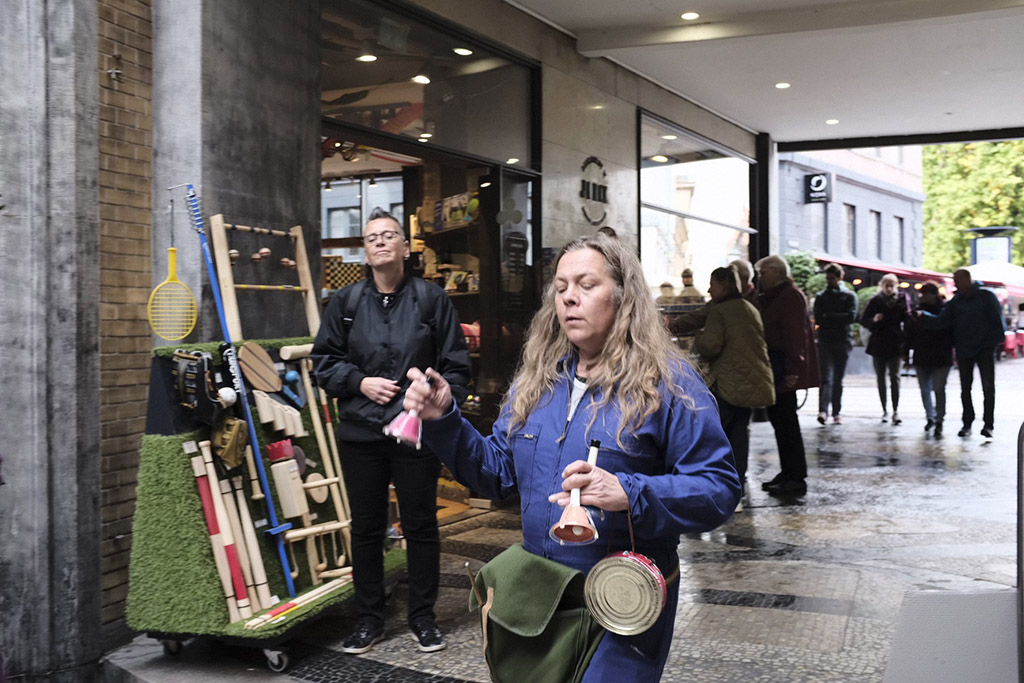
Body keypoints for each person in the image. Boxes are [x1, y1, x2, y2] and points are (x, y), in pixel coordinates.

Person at [403, 233, 740, 681]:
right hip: (543, 594)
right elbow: (499, 475)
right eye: (561, 288)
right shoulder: (538, 380)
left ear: (622, 296)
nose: (569, 299)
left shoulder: (670, 382)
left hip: (623, 594)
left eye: (586, 285)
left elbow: (718, 489)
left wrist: (629, 491)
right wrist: (444, 419)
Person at [311, 207, 472, 655]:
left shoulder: (432, 299)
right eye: (371, 238)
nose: (380, 242)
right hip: (361, 433)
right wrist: (358, 381)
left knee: (420, 525)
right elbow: (322, 362)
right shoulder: (344, 304)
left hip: (415, 432)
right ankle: (369, 619)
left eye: (389, 235)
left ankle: (423, 618)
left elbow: (457, 367)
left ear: (405, 246)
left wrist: (436, 396)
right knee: (365, 527)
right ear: (365, 251)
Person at [694, 266, 775, 510]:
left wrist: (698, 337)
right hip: (752, 382)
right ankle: (736, 486)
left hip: (729, 382)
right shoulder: (749, 307)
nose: (709, 289)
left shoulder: (721, 311)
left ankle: (717, 487)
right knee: (740, 436)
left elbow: (710, 346)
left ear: (724, 285)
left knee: (717, 437)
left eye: (713, 284)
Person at [754, 255, 818, 497]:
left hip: (783, 366)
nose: (761, 277)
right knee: (781, 422)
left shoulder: (789, 296)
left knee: (786, 423)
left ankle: (795, 475)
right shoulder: (777, 296)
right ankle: (788, 472)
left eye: (764, 272)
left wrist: (793, 370)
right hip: (778, 366)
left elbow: (794, 336)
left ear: (776, 272)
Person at [917, 268, 1005, 438]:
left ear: (967, 280)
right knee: (967, 388)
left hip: (982, 349)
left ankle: (987, 424)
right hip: (965, 349)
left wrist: (990, 345)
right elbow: (941, 321)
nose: (955, 284)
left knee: (986, 387)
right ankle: (968, 423)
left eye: (957, 281)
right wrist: (924, 316)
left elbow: (998, 324)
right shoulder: (957, 301)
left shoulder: (986, 297)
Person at [904, 281, 954, 437]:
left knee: (937, 388)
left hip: (938, 355)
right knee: (928, 389)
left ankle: (937, 418)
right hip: (927, 354)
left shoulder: (943, 311)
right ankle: (932, 417)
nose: (924, 297)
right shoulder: (920, 312)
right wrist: (906, 351)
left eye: (926, 294)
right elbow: (909, 334)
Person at [859, 274, 909, 424]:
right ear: (881, 285)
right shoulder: (875, 300)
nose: (888, 288)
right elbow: (863, 320)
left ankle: (895, 410)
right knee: (881, 378)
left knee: (895, 377)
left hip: (895, 343)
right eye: (886, 285)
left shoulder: (902, 299)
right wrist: (874, 320)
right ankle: (885, 410)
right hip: (879, 343)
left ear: (896, 286)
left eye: (891, 285)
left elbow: (907, 318)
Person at [812, 263, 858, 425]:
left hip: (839, 340)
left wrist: (828, 316)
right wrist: (837, 317)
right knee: (826, 378)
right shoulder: (824, 296)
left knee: (837, 379)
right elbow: (819, 317)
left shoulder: (847, 296)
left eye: (832, 278)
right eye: (828, 278)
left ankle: (835, 411)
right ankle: (824, 411)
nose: (829, 281)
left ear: (840, 278)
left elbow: (851, 317)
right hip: (830, 340)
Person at [668, 259, 757, 336]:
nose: (709, 290)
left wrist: (699, 336)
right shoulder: (753, 303)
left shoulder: (723, 304)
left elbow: (710, 344)